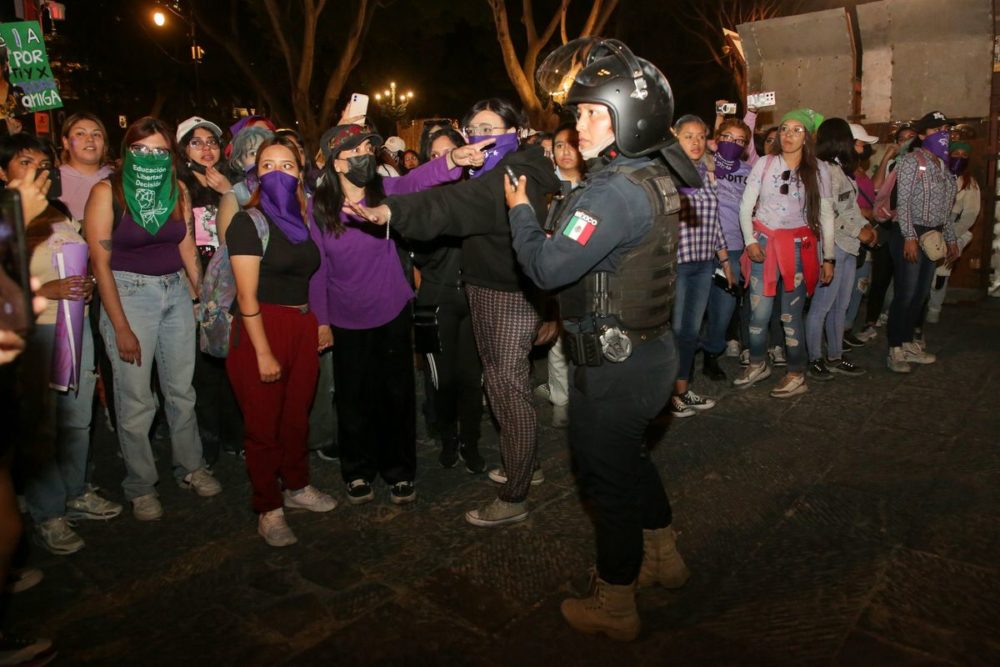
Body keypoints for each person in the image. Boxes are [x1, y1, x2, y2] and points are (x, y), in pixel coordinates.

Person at [505, 37, 692, 641]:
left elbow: (549, 268)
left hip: (618, 367)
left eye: (590, 112)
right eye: (578, 111)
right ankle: (664, 558)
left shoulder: (611, 191)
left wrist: (520, 211)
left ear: (627, 118)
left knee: (607, 484)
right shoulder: (646, 174)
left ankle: (616, 605)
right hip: (648, 354)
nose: (576, 123)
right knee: (632, 460)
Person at [347, 99, 561, 526]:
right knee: (506, 388)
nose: (480, 134)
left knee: (507, 392)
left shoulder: (509, 173)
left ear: (516, 131)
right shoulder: (497, 167)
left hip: (505, 295)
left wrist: (391, 212)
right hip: (491, 288)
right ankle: (526, 465)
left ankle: (515, 495)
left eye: (489, 126)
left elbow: (452, 206)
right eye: (473, 127)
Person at [311, 123, 489, 506]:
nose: (365, 158)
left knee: (397, 395)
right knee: (353, 398)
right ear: (337, 164)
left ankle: (399, 472)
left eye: (368, 151)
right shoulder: (319, 207)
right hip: (345, 317)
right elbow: (318, 270)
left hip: (392, 309)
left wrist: (453, 160)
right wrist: (322, 321)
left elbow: (419, 180)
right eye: (355, 153)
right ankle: (357, 471)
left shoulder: (387, 190)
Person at [84, 116, 221, 521]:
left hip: (174, 292)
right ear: (128, 153)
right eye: (142, 150)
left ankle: (191, 467)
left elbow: (186, 248)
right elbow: (101, 265)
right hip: (129, 294)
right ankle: (141, 486)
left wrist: (202, 298)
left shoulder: (176, 189)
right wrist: (120, 325)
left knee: (181, 391)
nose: (151, 158)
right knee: (137, 399)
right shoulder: (106, 192)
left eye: (160, 151)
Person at [0, 134, 121, 557]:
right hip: (31, 335)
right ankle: (48, 512)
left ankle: (77, 491)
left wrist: (83, 286)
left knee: (76, 417)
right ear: (3, 172)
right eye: (24, 162)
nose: (37, 170)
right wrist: (46, 289)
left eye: (43, 163)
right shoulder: (5, 221)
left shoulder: (60, 212)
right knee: (41, 427)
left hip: (74, 327)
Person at [225, 135, 337, 546]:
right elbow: (245, 296)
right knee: (263, 425)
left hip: (301, 327)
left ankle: (296, 485)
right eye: (268, 165)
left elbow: (313, 277)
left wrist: (318, 323)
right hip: (261, 330)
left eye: (287, 165)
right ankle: (267, 507)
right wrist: (263, 351)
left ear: (299, 173)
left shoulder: (304, 223)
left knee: (296, 417)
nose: (278, 172)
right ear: (256, 174)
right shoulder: (247, 222)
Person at [733, 108, 835, 398]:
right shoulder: (765, 163)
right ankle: (756, 362)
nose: (788, 135)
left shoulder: (819, 170)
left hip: (799, 249)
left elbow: (826, 214)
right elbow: (746, 205)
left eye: (797, 130)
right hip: (763, 245)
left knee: (791, 316)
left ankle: (795, 372)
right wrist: (750, 240)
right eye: (785, 129)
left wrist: (829, 257)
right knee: (758, 312)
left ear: (807, 137)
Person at [412, 127, 485, 468]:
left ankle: (471, 441)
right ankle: (447, 438)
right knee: (441, 379)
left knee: (471, 378)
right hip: (433, 299)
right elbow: (415, 254)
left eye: (450, 152)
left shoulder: (477, 194)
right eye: (435, 156)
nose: (444, 161)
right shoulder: (422, 200)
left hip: (474, 299)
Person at [175, 116, 243, 463]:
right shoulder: (179, 186)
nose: (206, 149)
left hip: (234, 283)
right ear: (184, 149)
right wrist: (198, 294)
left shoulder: (233, 183)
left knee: (234, 362)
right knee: (205, 369)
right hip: (201, 287)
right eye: (196, 142)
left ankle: (236, 435)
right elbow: (184, 243)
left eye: (212, 142)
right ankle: (209, 440)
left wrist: (228, 191)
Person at [886, 111, 958, 372]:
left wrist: (950, 239)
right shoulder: (910, 162)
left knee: (921, 293)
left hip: (934, 234)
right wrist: (909, 237)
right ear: (922, 134)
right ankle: (894, 348)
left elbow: (946, 210)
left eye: (947, 130)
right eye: (938, 130)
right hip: (911, 233)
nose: (944, 135)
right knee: (905, 293)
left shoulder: (945, 168)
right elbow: (902, 203)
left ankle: (908, 343)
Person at [669, 114, 731, 416]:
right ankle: (668, 394)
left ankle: (682, 391)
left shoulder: (708, 174)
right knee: (676, 329)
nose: (695, 142)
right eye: (688, 136)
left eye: (700, 136)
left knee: (691, 331)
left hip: (704, 264)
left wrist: (724, 258)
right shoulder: (666, 175)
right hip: (677, 265)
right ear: (675, 138)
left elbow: (715, 220)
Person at [805, 118, 876, 380]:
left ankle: (835, 355)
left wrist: (865, 227)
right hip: (831, 246)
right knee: (822, 306)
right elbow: (829, 213)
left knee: (841, 305)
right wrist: (860, 230)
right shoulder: (823, 170)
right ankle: (814, 358)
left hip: (847, 246)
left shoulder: (838, 169)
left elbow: (851, 208)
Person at [534, 122, 585, 427]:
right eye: (559, 146)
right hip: (550, 271)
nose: (566, 152)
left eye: (572, 144)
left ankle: (581, 398)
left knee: (580, 340)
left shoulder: (595, 185)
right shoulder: (544, 186)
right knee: (555, 340)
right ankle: (561, 400)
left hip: (584, 273)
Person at [704, 115, 754, 379]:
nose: (733, 143)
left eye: (740, 140)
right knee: (693, 308)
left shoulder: (748, 173)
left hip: (733, 247)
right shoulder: (702, 165)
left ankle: (712, 353)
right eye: (727, 137)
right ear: (717, 138)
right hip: (700, 248)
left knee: (723, 308)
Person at [925, 141, 980, 323]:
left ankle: (934, 311)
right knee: (923, 273)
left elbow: (970, 215)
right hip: (930, 231)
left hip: (954, 232)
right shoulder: (938, 175)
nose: (960, 158)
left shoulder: (969, 183)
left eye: (964, 155)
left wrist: (951, 236)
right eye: (956, 153)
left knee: (941, 273)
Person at [59, 113, 113, 221]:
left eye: (96, 134)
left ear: (105, 146)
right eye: (80, 133)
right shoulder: (51, 180)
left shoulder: (119, 180)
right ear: (66, 142)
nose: (90, 139)